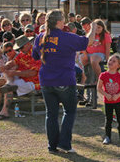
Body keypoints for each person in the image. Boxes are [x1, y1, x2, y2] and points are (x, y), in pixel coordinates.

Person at [31, 10, 87, 152]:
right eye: (63, 20)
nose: (64, 22)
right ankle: (64, 144)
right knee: (69, 111)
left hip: (46, 80)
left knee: (51, 114)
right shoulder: (67, 37)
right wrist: (91, 30)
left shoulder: (40, 37)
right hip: (64, 79)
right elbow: (86, 42)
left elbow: (35, 56)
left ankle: (52, 145)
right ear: (58, 22)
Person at [98, 54, 120, 145]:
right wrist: (106, 94)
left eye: (114, 61)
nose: (110, 62)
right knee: (108, 119)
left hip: (118, 102)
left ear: (118, 65)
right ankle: (107, 136)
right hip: (108, 102)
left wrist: (118, 95)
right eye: (110, 60)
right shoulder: (103, 75)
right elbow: (99, 88)